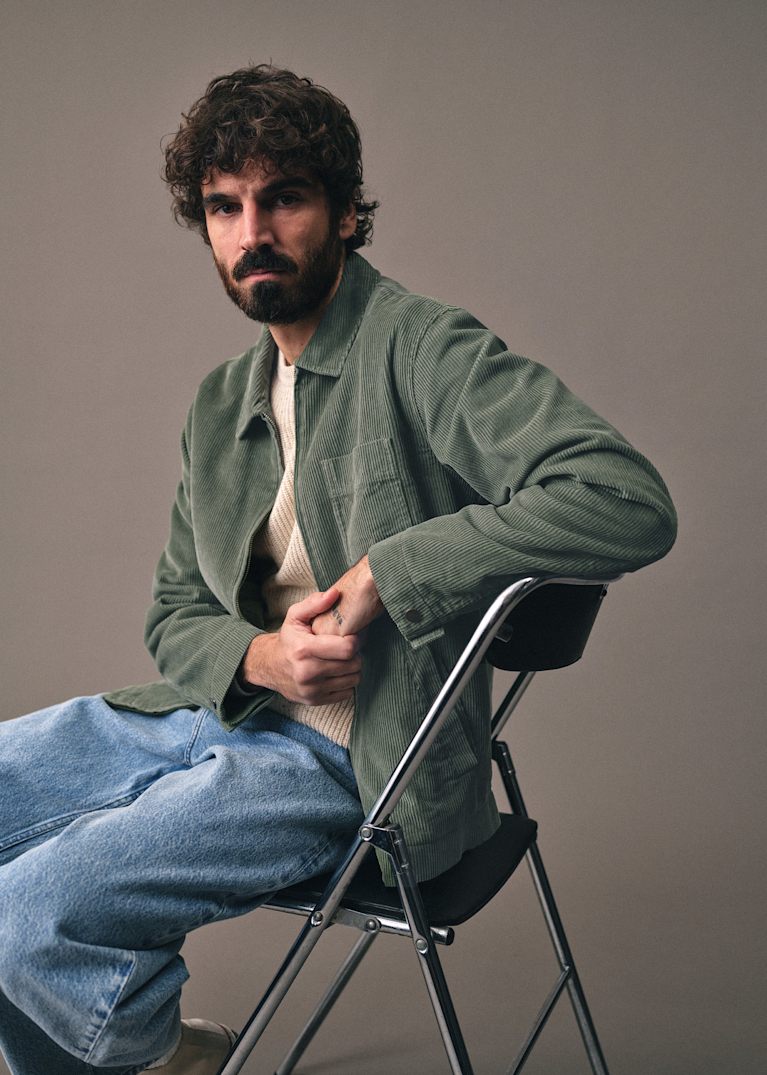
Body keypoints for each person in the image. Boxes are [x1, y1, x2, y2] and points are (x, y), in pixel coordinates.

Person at [0, 64, 677, 1075]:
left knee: (30, 909)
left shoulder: (422, 348)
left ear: (346, 212)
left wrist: (390, 572)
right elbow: (175, 612)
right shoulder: (220, 401)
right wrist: (263, 658)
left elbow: (624, 497)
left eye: (283, 198)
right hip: (210, 716)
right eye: (224, 207)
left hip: (352, 757)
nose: (252, 232)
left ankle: (144, 1054)